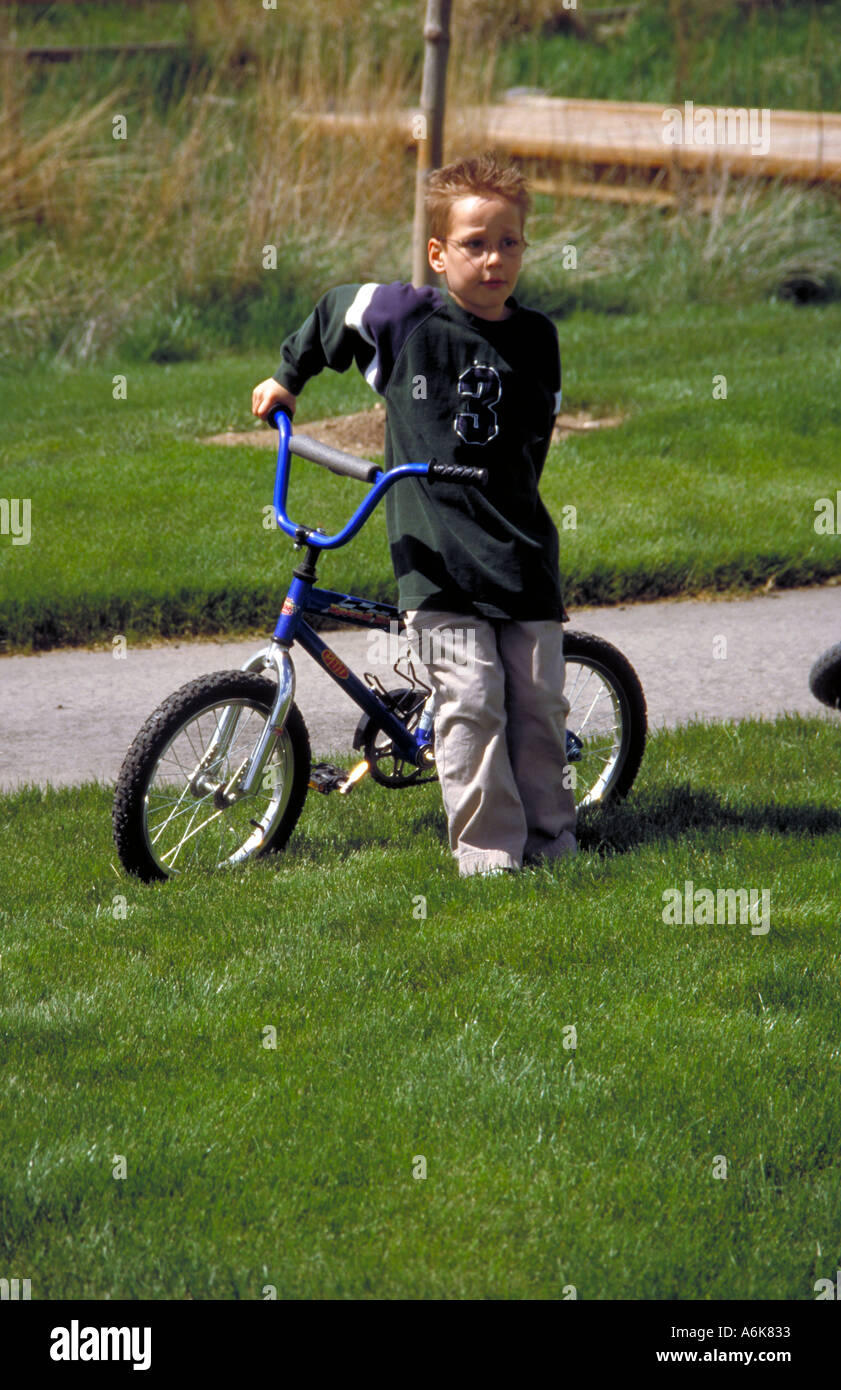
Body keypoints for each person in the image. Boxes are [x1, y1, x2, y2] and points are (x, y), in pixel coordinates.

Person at [252, 152, 576, 876]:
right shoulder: (406, 318)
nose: (494, 260)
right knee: (471, 707)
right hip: (436, 560)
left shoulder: (537, 339)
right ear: (438, 252)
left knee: (537, 714)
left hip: (522, 559)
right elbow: (335, 309)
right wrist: (286, 377)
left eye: (509, 243)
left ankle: (555, 849)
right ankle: (491, 860)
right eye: (474, 244)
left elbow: (533, 443)